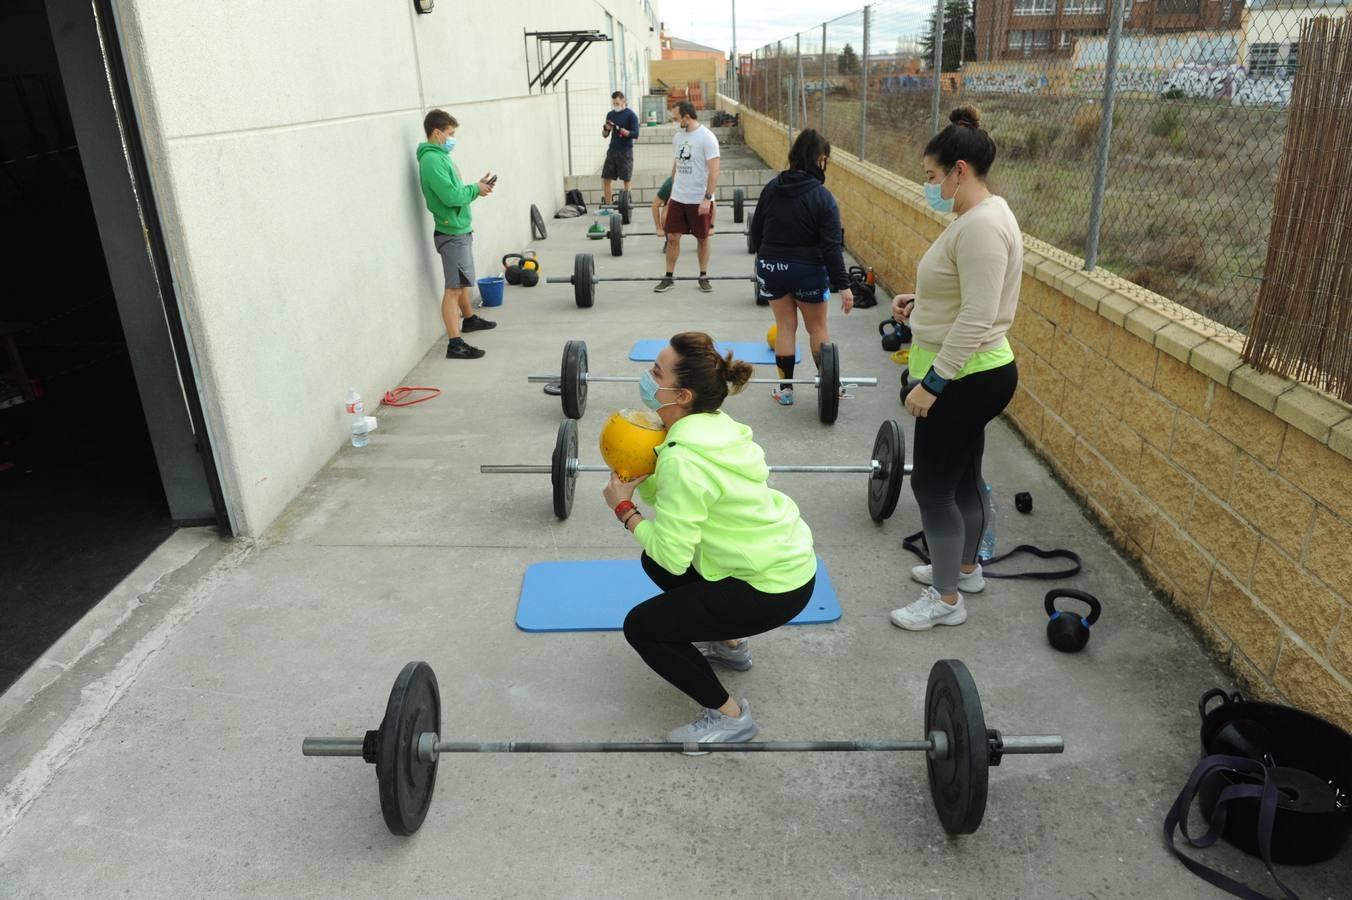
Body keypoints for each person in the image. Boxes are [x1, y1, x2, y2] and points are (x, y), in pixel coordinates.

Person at [603, 332, 818, 746]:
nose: (647, 378)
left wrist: (623, 509)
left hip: (771, 588)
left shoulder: (683, 457)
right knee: (652, 562)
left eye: (655, 372)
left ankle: (730, 718)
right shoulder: (715, 427)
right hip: (789, 565)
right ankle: (730, 645)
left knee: (642, 627)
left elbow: (671, 553)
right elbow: (680, 510)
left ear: (680, 395)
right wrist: (644, 477)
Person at [888, 106, 1022, 632]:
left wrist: (933, 384)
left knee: (933, 489)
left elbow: (980, 314)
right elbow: (967, 295)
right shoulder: (980, 219)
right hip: (972, 371)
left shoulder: (983, 226)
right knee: (964, 477)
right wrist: (919, 302)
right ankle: (964, 570)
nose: (929, 186)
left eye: (932, 176)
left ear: (959, 171)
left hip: (966, 378)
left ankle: (945, 601)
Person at [748, 129, 855, 407]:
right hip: (807, 270)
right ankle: (832, 387)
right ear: (821, 160)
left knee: (785, 327)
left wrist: (765, 262)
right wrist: (844, 285)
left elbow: (756, 232)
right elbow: (832, 246)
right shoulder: (823, 197)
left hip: (772, 265)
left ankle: (786, 391)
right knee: (817, 328)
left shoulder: (772, 188)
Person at [417, 109, 497, 360]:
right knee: (453, 288)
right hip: (451, 232)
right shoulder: (432, 161)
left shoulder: (439, 157)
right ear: (437, 132)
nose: (452, 138)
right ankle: (455, 343)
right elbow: (451, 197)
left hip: (457, 228)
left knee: (461, 281)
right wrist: (475, 189)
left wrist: (476, 186)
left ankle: (470, 319)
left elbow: (453, 190)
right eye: (450, 133)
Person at [655, 103, 721, 293]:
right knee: (672, 237)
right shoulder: (678, 137)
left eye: (677, 118)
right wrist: (671, 193)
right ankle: (668, 277)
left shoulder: (707, 138)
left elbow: (715, 171)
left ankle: (703, 276)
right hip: (678, 197)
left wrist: (707, 198)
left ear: (686, 117)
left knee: (702, 238)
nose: (676, 121)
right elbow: (676, 165)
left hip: (699, 198)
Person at [602, 91, 639, 207]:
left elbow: (636, 134)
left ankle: (627, 205)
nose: (615, 106)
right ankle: (608, 205)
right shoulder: (610, 115)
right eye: (614, 103)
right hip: (612, 150)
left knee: (626, 180)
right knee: (606, 179)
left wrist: (627, 132)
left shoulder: (631, 115)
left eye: (617, 103)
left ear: (623, 101)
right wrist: (606, 128)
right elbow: (604, 135)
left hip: (625, 151)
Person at [651, 175, 673, 251]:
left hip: (691, 207)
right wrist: (658, 228)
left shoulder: (697, 182)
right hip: (675, 208)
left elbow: (710, 202)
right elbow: (655, 204)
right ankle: (669, 241)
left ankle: (701, 240)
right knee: (666, 214)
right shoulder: (669, 184)